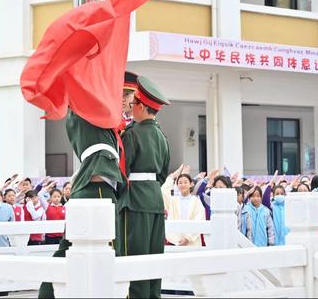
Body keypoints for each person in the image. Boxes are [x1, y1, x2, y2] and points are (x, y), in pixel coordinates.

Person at [38, 111, 124, 299]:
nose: (124, 100)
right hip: (96, 189)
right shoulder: (84, 114)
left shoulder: (90, 116)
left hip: (94, 188)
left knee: (70, 247)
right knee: (106, 249)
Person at [118, 76, 170, 299]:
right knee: (154, 257)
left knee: (135, 258)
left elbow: (122, 171)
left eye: (132, 104)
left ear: (140, 106)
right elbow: (163, 174)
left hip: (135, 199)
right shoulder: (162, 136)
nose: (131, 109)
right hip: (155, 199)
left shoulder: (131, 133)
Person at [162, 166, 205, 246]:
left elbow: (199, 219)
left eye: (185, 182)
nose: (183, 185)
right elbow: (164, 191)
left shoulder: (196, 201)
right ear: (177, 185)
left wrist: (188, 238)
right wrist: (173, 176)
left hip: (192, 242)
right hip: (176, 241)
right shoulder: (173, 201)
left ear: (191, 184)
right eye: (180, 183)